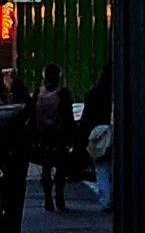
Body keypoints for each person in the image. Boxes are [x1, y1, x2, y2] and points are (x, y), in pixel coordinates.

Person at [32, 63, 76, 212]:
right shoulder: (63, 93)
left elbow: (33, 116)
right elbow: (68, 116)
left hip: (43, 136)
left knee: (46, 169)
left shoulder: (39, 93)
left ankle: (48, 199)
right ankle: (59, 198)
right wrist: (71, 136)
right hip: (59, 136)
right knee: (60, 169)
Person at [81, 62, 114, 210]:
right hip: (116, 131)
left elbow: (87, 118)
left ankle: (106, 199)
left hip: (100, 133)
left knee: (102, 167)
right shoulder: (122, 90)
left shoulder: (95, 93)